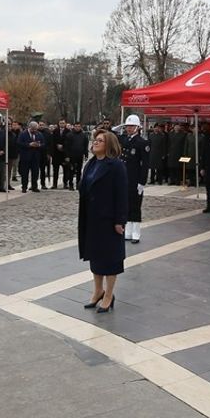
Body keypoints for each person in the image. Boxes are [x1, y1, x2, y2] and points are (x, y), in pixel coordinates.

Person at [78, 129, 129, 313]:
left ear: (109, 145)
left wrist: (119, 220)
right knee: (95, 255)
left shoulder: (116, 166)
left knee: (110, 258)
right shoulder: (91, 163)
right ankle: (98, 290)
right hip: (92, 217)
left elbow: (122, 194)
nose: (95, 142)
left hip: (108, 219)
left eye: (100, 140)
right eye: (95, 140)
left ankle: (109, 294)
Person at [119, 115, 149, 243]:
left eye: (131, 126)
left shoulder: (142, 142)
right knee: (126, 204)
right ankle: (128, 231)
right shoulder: (125, 140)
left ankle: (136, 232)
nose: (129, 128)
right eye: (127, 126)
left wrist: (142, 182)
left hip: (135, 178)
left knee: (135, 205)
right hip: (125, 178)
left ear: (137, 127)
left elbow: (145, 164)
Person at [18, 121, 44, 193]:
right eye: (33, 129)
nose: (35, 131)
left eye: (36, 129)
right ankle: (24, 187)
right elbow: (19, 143)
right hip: (25, 156)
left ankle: (34, 186)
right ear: (30, 127)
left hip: (35, 157)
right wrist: (29, 144)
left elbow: (43, 143)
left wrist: (39, 145)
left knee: (35, 172)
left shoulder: (39, 134)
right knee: (25, 173)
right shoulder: (23, 134)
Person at [63, 121, 88, 190]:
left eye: (78, 126)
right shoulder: (69, 135)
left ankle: (78, 184)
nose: (77, 128)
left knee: (79, 171)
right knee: (71, 170)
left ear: (80, 127)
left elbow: (85, 146)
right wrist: (67, 156)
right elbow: (66, 147)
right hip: (71, 156)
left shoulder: (84, 135)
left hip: (80, 155)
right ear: (73, 127)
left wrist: (86, 155)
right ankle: (71, 184)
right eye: (76, 126)